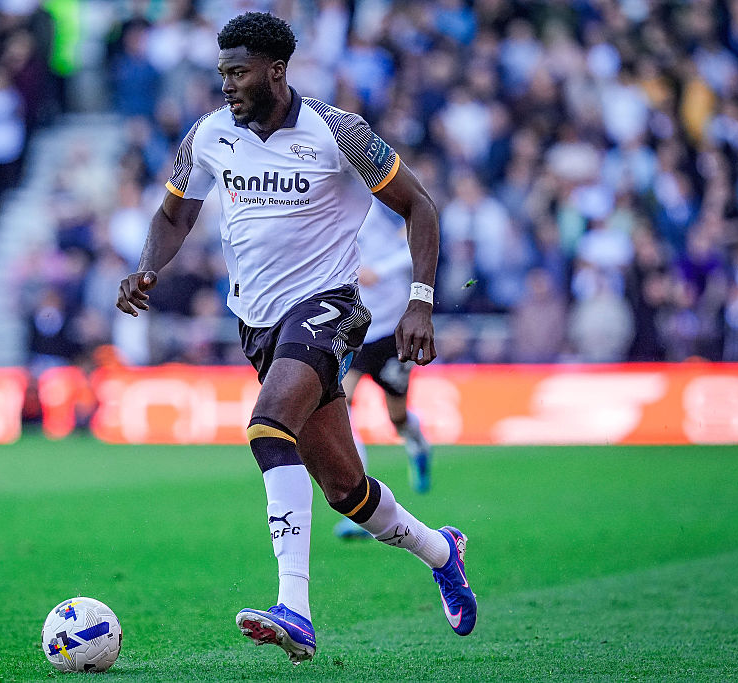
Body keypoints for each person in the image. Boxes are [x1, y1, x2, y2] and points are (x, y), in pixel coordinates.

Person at [116, 12, 476, 664]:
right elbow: (173, 214)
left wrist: (421, 302)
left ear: (276, 70)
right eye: (222, 72)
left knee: (267, 426)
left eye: (239, 72)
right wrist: (147, 267)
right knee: (347, 490)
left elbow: (419, 204)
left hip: (329, 308)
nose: (227, 84)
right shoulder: (210, 135)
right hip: (258, 325)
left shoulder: (339, 132)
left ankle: (295, 609)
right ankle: (442, 551)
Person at [334, 198, 433, 541]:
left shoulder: (381, 202)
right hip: (355, 326)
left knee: (397, 416)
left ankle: (417, 443)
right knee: (342, 400)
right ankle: (358, 499)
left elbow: (420, 242)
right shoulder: (328, 203)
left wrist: (381, 270)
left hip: (392, 328)